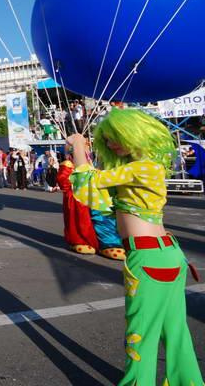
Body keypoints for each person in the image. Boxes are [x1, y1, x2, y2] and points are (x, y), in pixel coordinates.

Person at [68, 109, 202, 385]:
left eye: (116, 137)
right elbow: (97, 198)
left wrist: (79, 148)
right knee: (173, 331)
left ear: (135, 134)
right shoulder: (141, 168)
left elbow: (89, 183)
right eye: (108, 139)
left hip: (149, 257)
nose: (112, 144)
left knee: (140, 333)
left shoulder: (142, 167)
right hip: (163, 255)